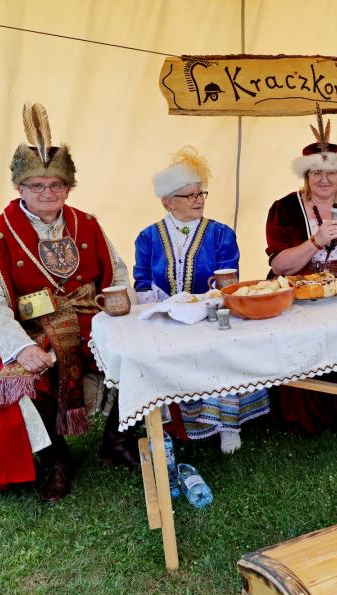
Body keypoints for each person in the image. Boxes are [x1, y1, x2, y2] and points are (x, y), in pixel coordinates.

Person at [0, 102, 136, 502]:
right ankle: (56, 458)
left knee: (136, 355)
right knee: (13, 382)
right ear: (20, 188)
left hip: (89, 322)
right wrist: (20, 348)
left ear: (68, 188)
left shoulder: (86, 223)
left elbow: (117, 274)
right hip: (33, 330)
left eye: (56, 185)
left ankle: (117, 439)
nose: (47, 193)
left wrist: (118, 306)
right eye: (37, 186)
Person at [133, 146, 269, 453]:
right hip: (167, 319)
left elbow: (229, 279)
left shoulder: (221, 234)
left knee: (220, 351)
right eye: (190, 195)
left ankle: (228, 426)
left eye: (201, 193)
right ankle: (172, 421)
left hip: (211, 316)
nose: (199, 200)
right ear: (168, 201)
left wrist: (205, 302)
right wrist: (164, 309)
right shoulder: (147, 237)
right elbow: (141, 280)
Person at [265, 111, 337, 450]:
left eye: (331, 172)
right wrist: (314, 242)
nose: (324, 179)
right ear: (306, 175)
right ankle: (329, 408)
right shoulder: (285, 208)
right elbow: (280, 265)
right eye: (316, 172)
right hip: (295, 292)